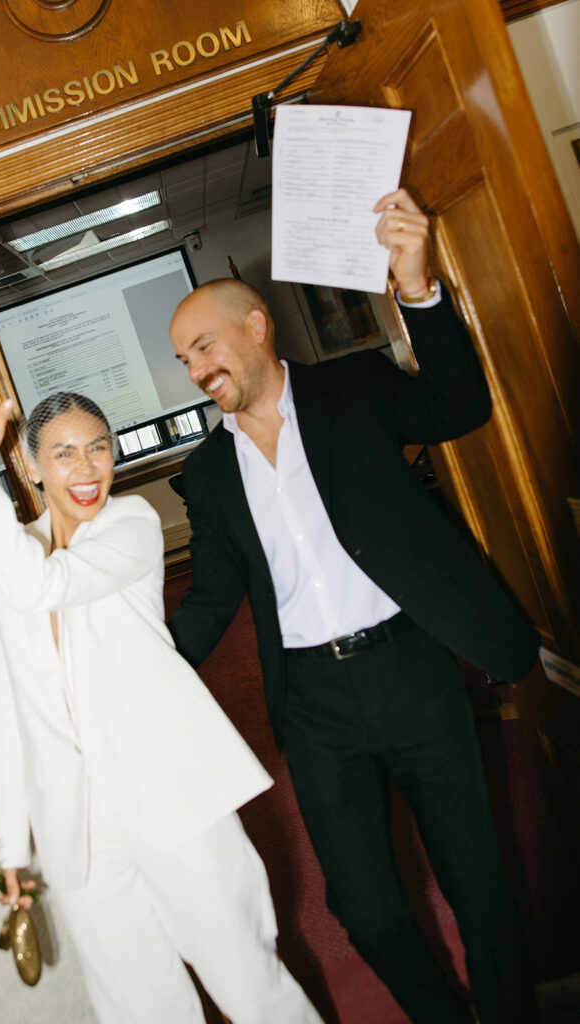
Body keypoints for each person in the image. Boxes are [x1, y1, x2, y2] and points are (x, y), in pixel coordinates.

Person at [167, 188, 540, 1024]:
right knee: (365, 910)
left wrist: (416, 286)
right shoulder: (207, 472)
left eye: (202, 348)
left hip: (409, 666)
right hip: (313, 705)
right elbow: (215, 593)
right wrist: (137, 664)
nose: (195, 372)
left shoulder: (354, 389)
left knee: (475, 881)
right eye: (185, 361)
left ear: (255, 326)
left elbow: (459, 406)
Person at [0, 386, 324, 1024]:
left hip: (169, 800)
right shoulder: (13, 551)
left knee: (249, 984)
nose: (86, 469)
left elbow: (42, 586)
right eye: (63, 454)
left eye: (98, 449)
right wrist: (10, 847)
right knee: (138, 1007)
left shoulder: (130, 525)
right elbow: (4, 709)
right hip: (75, 829)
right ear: (30, 467)